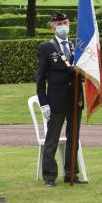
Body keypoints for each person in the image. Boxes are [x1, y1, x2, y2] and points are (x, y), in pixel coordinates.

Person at [36, 12, 86, 187]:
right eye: (59, 23)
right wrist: (43, 102)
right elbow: (40, 78)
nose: (63, 26)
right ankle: (49, 176)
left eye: (66, 22)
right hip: (56, 100)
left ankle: (72, 173)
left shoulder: (76, 46)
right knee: (53, 139)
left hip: (75, 98)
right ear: (52, 27)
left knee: (73, 138)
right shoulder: (46, 48)